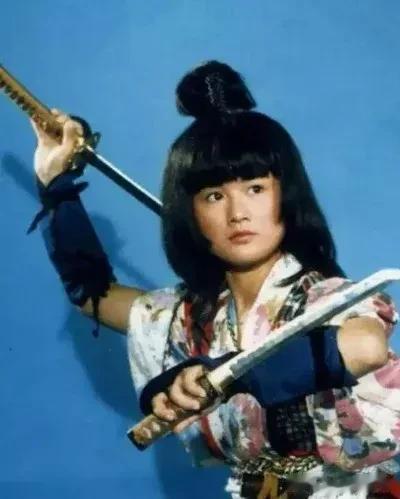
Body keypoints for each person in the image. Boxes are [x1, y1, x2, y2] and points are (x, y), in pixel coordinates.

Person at [30, 61, 400, 498]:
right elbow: (92, 293)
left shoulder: (327, 297)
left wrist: (226, 374)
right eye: (213, 195)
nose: (237, 212)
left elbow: (366, 347)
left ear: (286, 195)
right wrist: (55, 182)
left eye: (255, 188)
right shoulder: (189, 316)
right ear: (190, 213)